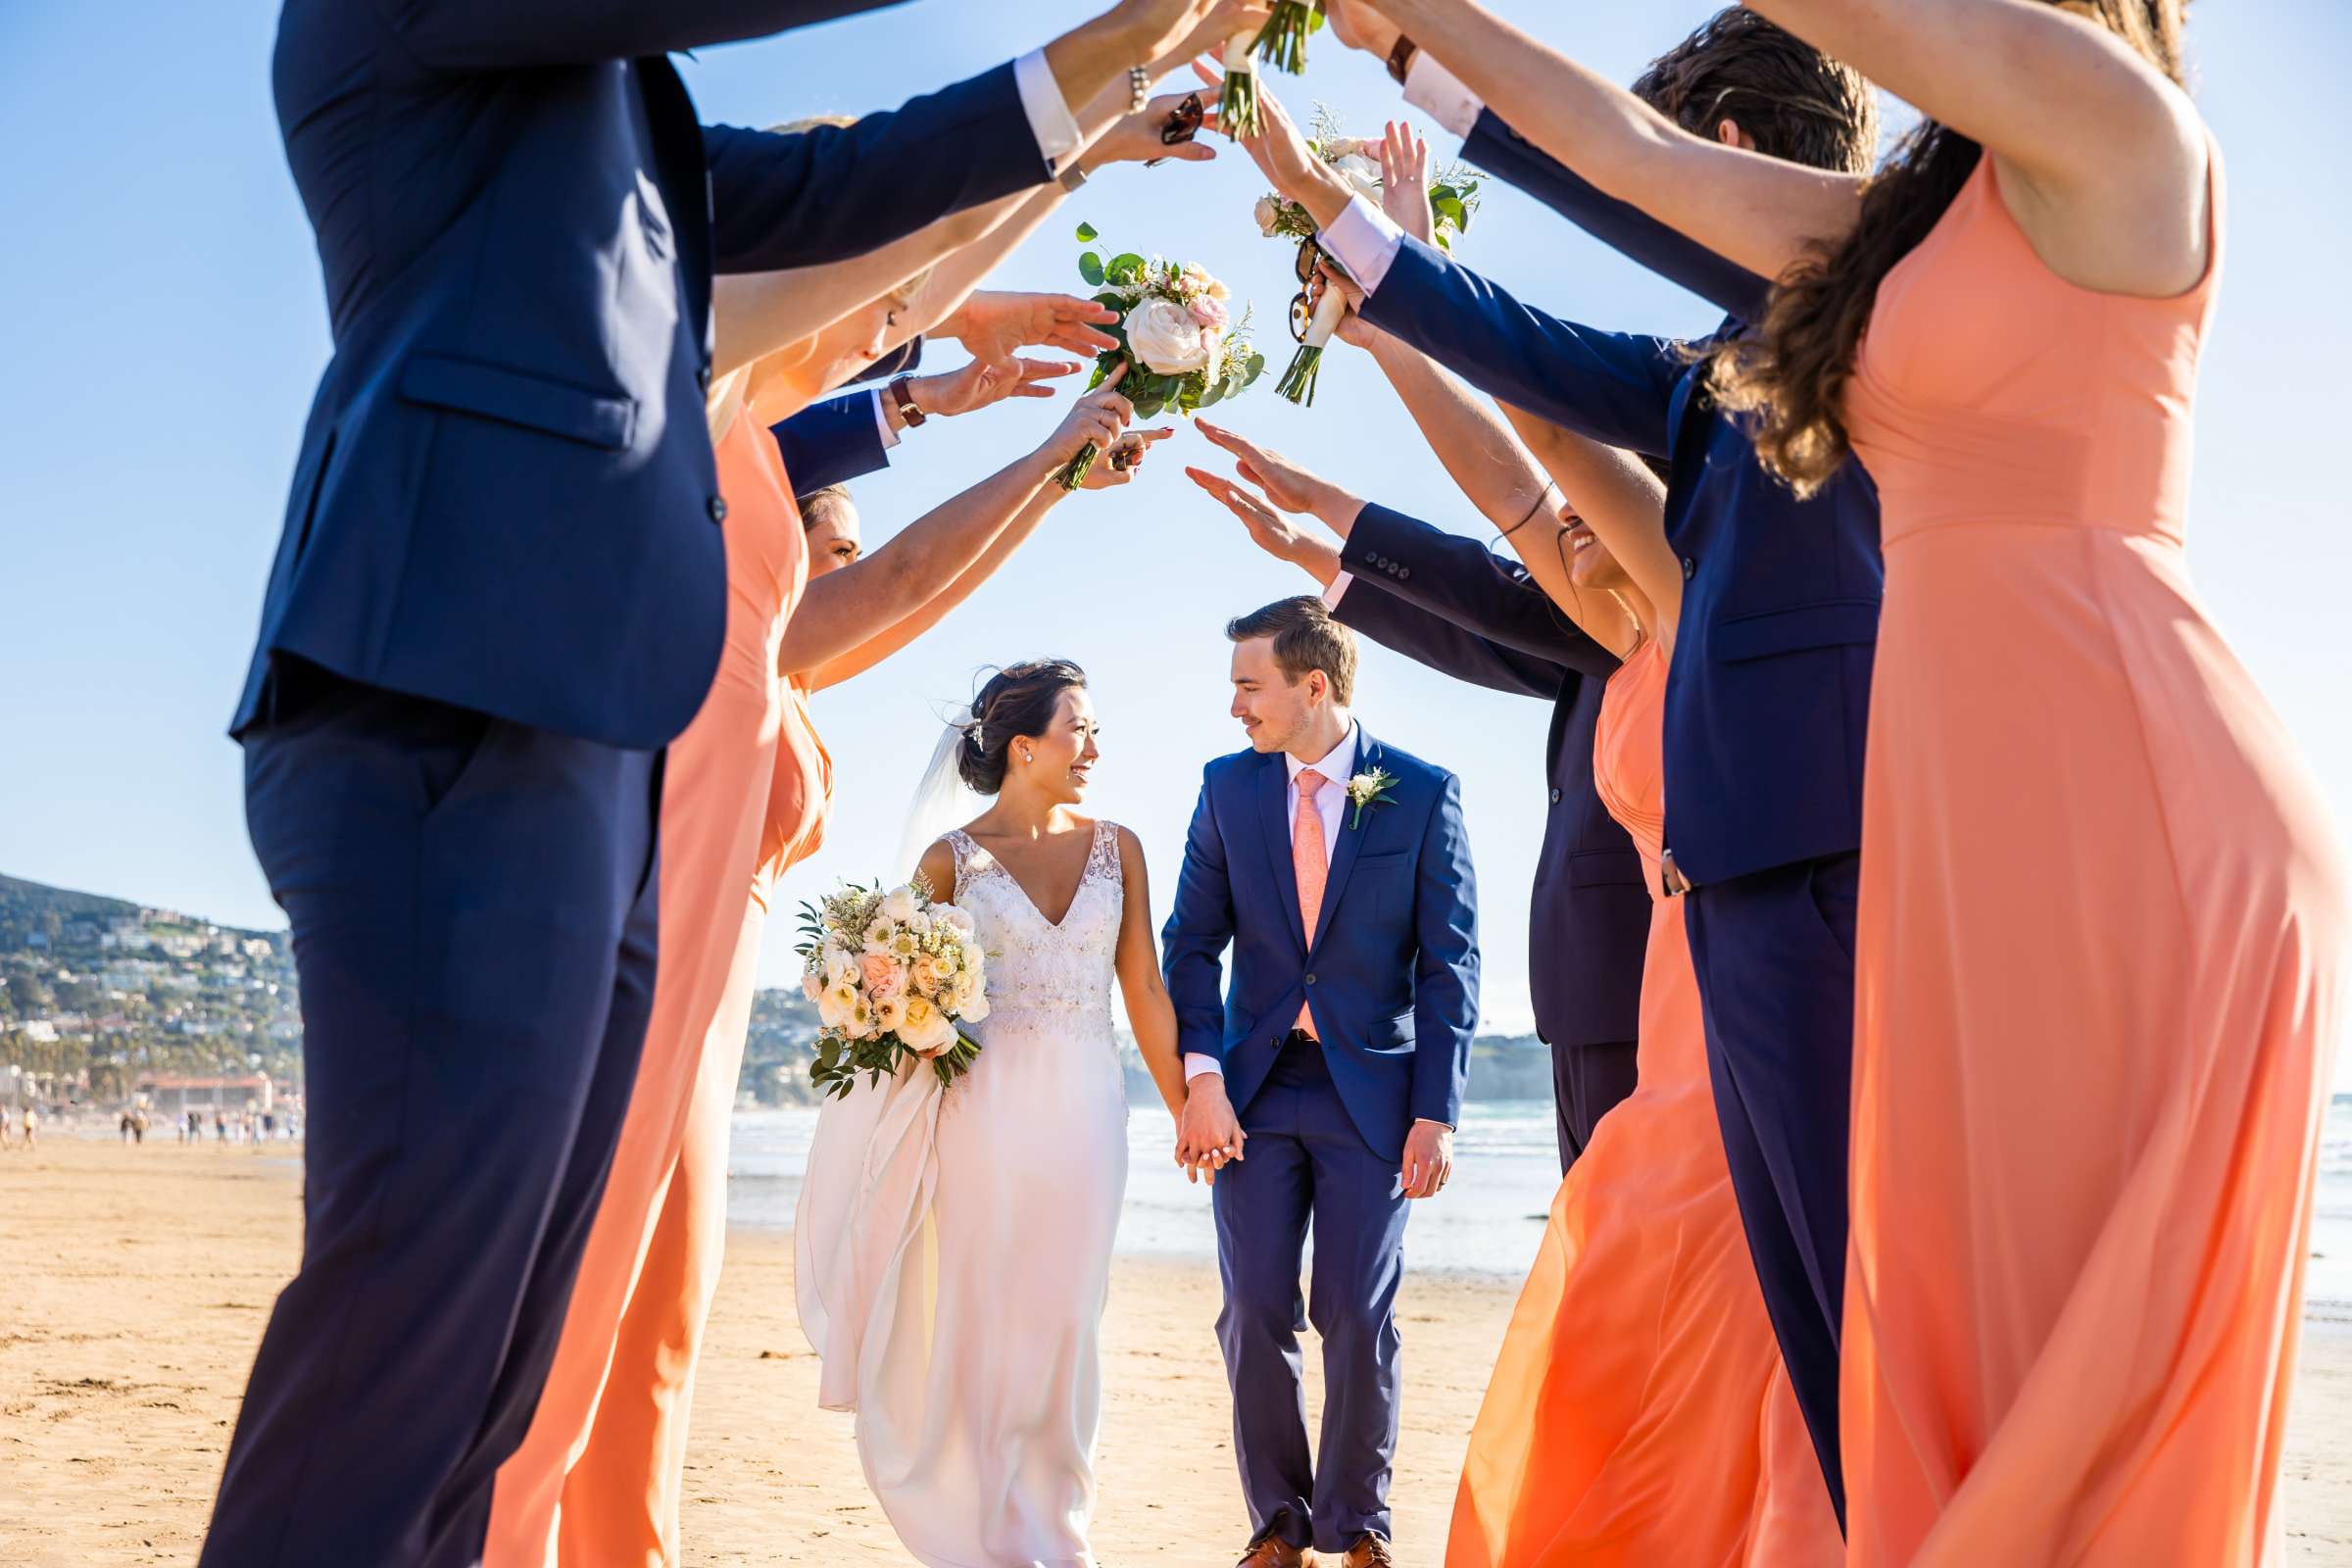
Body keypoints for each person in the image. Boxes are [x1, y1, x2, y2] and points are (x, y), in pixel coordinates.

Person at [216, 1, 1230, 1561]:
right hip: (456, 704)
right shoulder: (443, 56)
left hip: (595, 768)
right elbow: (843, 290)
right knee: (422, 1335)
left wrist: (1120, 71)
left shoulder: (632, 142)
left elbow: (857, 226)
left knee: (523, 1345)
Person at [1367, 0, 2349, 1556]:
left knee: (2045, 1358)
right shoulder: (1902, 233)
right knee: (1924, 1358)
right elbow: (1630, 161)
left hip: (2123, 789)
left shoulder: (2128, 139)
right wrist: (1409, 37)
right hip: (1960, 806)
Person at [1228, 24, 1880, 1510]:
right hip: (1713, 967)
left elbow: (1539, 456)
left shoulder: (1815, 403)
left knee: (1793, 1341)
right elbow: (1528, 459)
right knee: (1647, 1336)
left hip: (1827, 908)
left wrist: (1397, 161)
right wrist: (1370, 261)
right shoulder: (1681, 481)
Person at [794, 660, 1196, 1565]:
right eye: (1079, 729)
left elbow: (1145, 990)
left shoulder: (1119, 846)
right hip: (982, 1112)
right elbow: (904, 999)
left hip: (1086, 1111)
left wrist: (1184, 1110)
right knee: (984, 1309)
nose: (1095, 747)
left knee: (1066, 1317)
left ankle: (1057, 1528)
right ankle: (984, 1529)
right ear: (1025, 745)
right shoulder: (949, 862)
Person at [1160, 598, 1478, 1568]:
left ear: (1313, 685)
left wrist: (1437, 1113)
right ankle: (1279, 1523)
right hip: (1251, 1091)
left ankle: (1358, 1523)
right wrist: (1200, 1080)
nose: (1235, 709)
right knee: (1253, 1304)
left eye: (1248, 686)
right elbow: (1191, 946)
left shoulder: (1420, 791)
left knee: (1354, 1306)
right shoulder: (1226, 789)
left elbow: (1450, 964)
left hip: (1373, 1096)